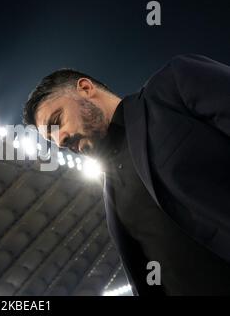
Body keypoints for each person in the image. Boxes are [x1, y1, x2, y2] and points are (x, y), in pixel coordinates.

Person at [22, 54, 230, 295]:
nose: (60, 140)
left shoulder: (172, 87)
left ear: (86, 88)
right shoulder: (110, 191)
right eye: (50, 139)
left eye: (57, 121)